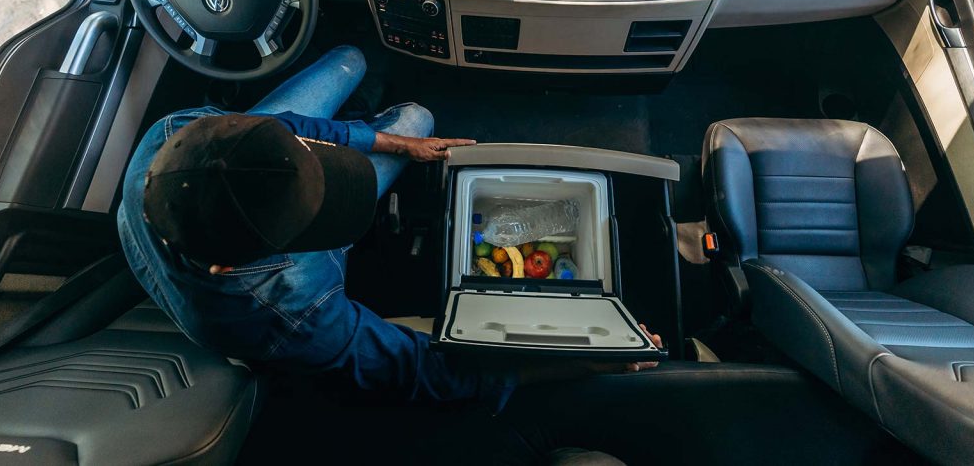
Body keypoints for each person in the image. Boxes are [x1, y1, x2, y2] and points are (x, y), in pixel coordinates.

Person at [118, 45, 662, 411]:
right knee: (415, 112)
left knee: (363, 71)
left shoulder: (178, 134)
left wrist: (400, 146)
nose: (337, 193)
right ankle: (372, 114)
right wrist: (584, 364)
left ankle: (370, 110)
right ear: (228, 266)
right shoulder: (289, 318)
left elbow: (282, 127)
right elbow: (427, 371)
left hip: (208, 209)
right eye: (317, 217)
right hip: (274, 286)